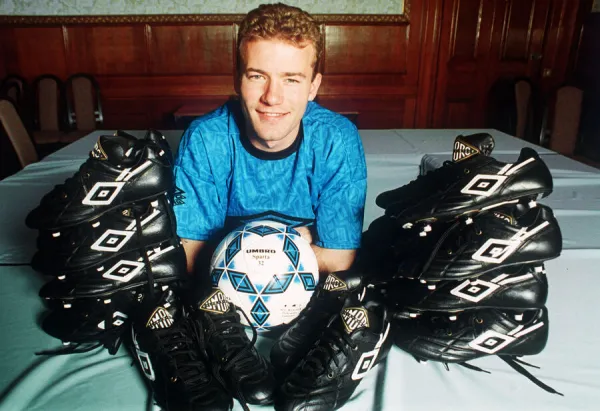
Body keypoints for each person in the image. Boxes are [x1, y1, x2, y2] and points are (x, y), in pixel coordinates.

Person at [173, 2, 367, 278]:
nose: (272, 97)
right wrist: (295, 243)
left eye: (291, 80)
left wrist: (236, 247)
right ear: (237, 80)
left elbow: (339, 260)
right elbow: (191, 258)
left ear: (313, 86)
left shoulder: (336, 139)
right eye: (257, 76)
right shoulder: (205, 139)